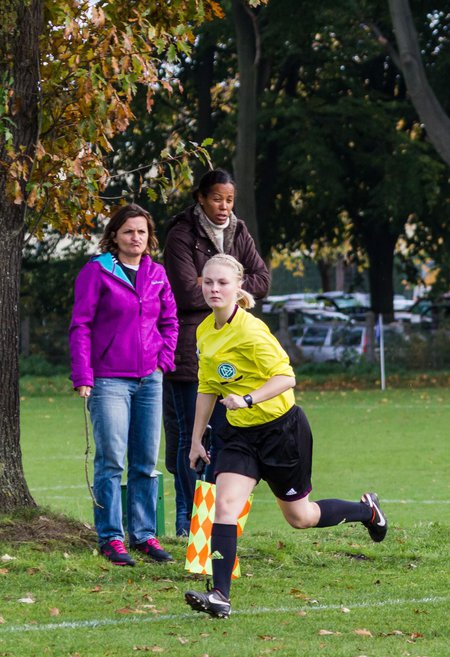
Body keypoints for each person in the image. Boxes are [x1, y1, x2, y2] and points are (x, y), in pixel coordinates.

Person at [182, 255, 386, 619]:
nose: (214, 289)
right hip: (238, 436)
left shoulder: (251, 331)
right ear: (200, 284)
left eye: (222, 283)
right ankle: (220, 595)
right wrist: (196, 440)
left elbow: (286, 378)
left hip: (282, 432)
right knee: (225, 506)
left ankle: (367, 511)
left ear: (238, 287)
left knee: (301, 518)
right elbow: (207, 387)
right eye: (208, 282)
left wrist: (246, 399)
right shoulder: (204, 331)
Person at [163, 168, 271, 538]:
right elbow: (185, 292)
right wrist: (226, 288)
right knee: (189, 441)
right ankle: (187, 523)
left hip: (231, 354)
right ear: (200, 198)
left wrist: (222, 287)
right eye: (216, 199)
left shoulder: (239, 232)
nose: (224, 207)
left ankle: (213, 528)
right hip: (190, 352)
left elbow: (262, 278)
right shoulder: (181, 234)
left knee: (225, 440)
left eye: (229, 199)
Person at [69, 203, 179, 567]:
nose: (136, 238)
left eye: (142, 232)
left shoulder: (157, 274)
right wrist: (83, 375)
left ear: (149, 238)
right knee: (112, 460)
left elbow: (170, 322)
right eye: (129, 231)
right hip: (108, 380)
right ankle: (111, 538)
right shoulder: (96, 272)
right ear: (114, 234)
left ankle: (145, 535)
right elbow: (81, 326)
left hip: (149, 379)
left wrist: (163, 361)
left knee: (145, 462)